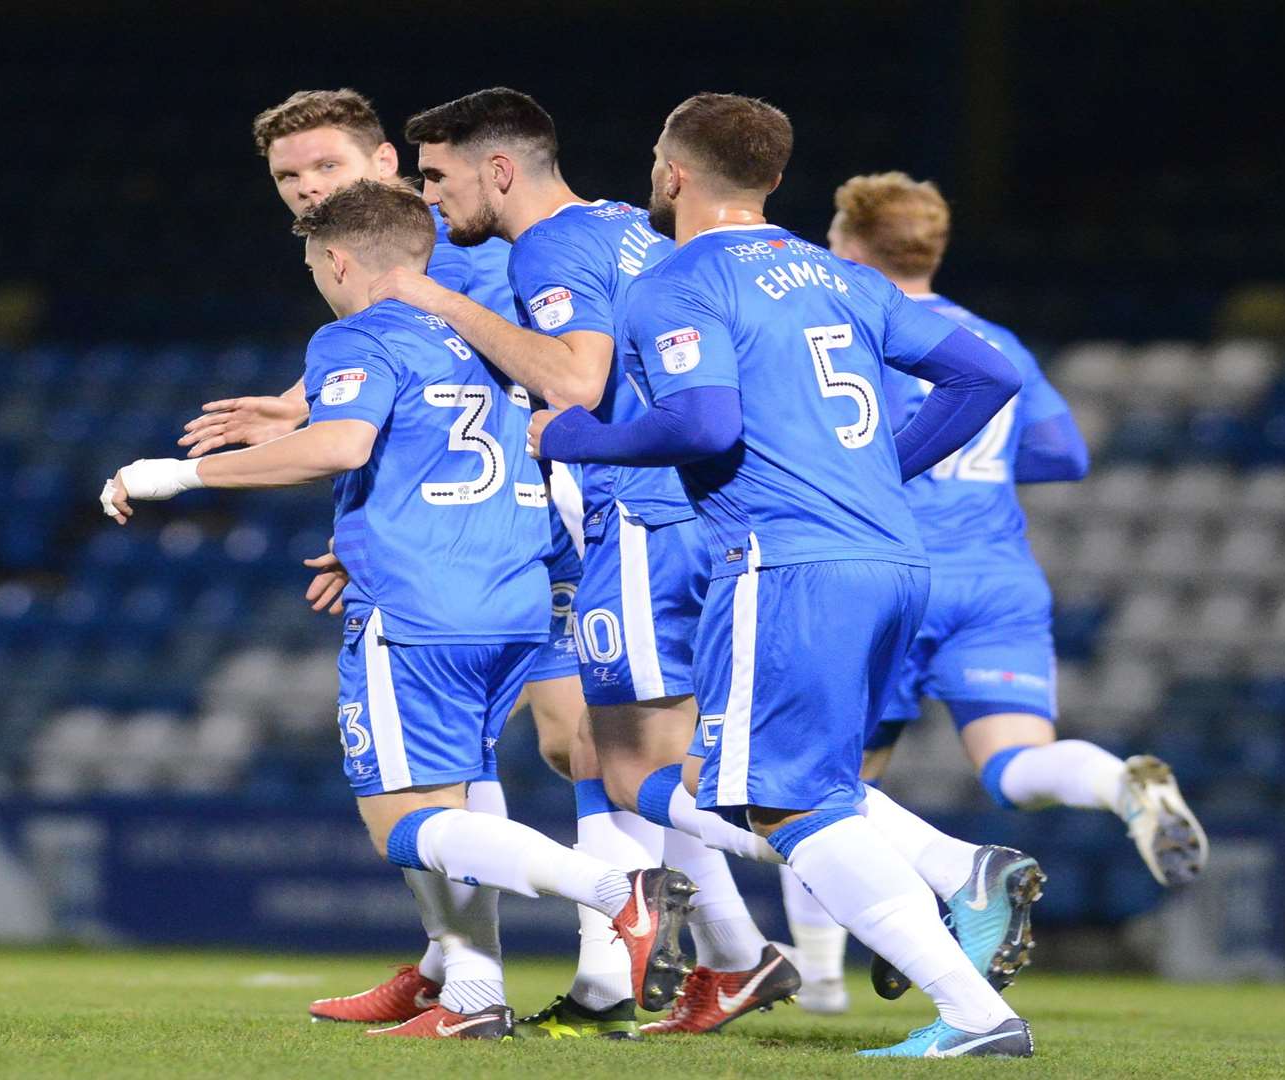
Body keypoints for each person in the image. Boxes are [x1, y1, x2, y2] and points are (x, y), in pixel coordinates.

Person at [100, 181, 694, 1039]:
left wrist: (173, 474)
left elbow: (341, 443)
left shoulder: (354, 335)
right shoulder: (493, 340)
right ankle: (471, 1001)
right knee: (457, 802)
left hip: (418, 607)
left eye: (314, 264)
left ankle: (615, 892)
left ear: (338, 259)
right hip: (517, 603)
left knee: (406, 823)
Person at [534, 93, 1036, 1058]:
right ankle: (957, 896)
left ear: (675, 172)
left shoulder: (678, 281)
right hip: (891, 556)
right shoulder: (841, 275)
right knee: (792, 789)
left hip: (786, 560)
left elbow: (705, 425)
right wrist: (887, 463)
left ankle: (974, 1004)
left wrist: (579, 436)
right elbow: (988, 375)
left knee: (788, 805)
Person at [368, 87, 793, 1036]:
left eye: (439, 176)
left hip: (641, 518)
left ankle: (917, 866)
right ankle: (712, 960)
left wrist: (428, 293)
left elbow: (573, 379)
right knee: (604, 750)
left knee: (650, 761)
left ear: (501, 170)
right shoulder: (623, 231)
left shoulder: (551, 245)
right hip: (695, 514)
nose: (432, 198)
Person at [166, 88, 595, 1028]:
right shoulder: (396, 285)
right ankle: (460, 969)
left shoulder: (472, 260)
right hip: (482, 548)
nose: (308, 188)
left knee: (581, 747)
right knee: (475, 762)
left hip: (529, 537)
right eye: (289, 176)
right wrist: (306, 416)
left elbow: (531, 377)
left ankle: (635, 927)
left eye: (327, 167)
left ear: (389, 167)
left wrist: (212, 469)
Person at [780, 173, 1210, 1013]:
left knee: (826, 779)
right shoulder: (993, 339)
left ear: (850, 244)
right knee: (1014, 767)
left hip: (891, 574)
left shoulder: (854, 328)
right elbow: (1065, 454)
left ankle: (823, 979)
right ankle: (1120, 783)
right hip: (998, 577)